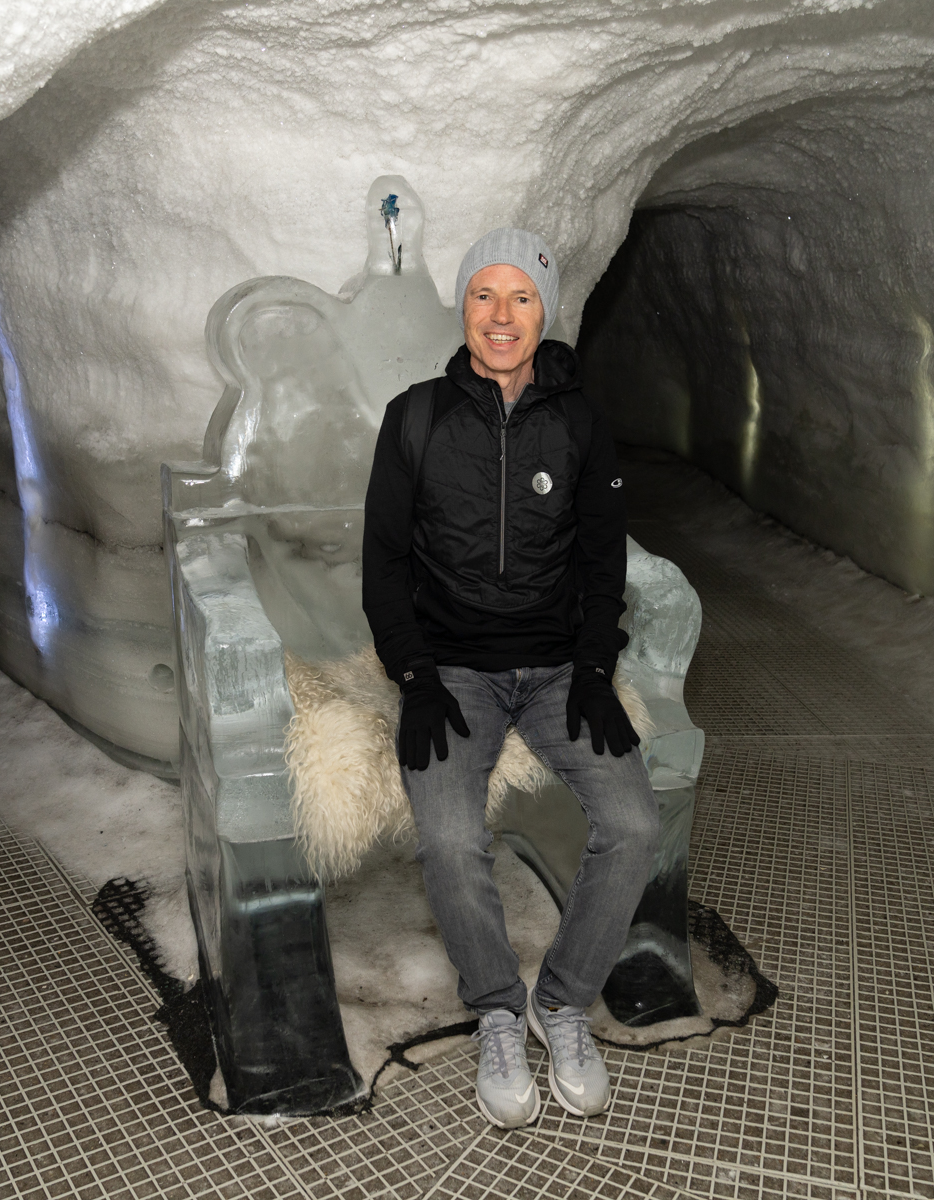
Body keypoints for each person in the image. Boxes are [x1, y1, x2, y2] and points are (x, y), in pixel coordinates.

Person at [361, 228, 661, 1128]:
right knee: (451, 839)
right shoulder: (415, 416)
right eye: (485, 296)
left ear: (544, 310)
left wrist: (598, 668)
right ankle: (497, 1007)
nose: (501, 316)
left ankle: (561, 1002)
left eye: (520, 297)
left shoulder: (577, 421)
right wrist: (414, 676)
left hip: (560, 672)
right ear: (464, 307)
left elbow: (604, 557)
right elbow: (381, 563)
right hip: (453, 671)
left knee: (636, 823)